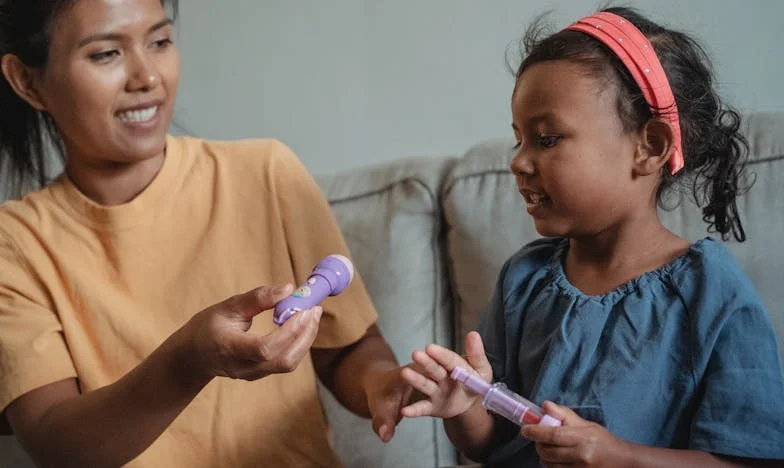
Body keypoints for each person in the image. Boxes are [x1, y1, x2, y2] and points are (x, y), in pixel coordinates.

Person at [0, 0, 410, 466]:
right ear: (26, 81)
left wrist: (384, 383)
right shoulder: (14, 244)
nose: (147, 77)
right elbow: (57, 446)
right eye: (105, 54)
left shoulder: (266, 173)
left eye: (159, 42)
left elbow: (348, 349)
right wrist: (188, 361)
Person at [386, 6, 784, 467]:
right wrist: (463, 409)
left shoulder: (710, 290)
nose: (518, 161)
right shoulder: (524, 279)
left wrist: (621, 457)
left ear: (649, 147)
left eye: (547, 138)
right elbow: (491, 441)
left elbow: (748, 460)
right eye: (519, 139)